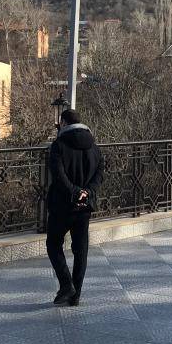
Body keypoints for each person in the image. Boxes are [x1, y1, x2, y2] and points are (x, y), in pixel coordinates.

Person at [45, 108, 103, 306]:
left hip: (62, 205)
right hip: (85, 206)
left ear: (63, 123)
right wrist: (87, 192)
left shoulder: (58, 145)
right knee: (81, 250)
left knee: (53, 244)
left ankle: (66, 285)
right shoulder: (94, 146)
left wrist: (74, 191)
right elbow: (100, 174)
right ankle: (75, 295)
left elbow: (58, 174)